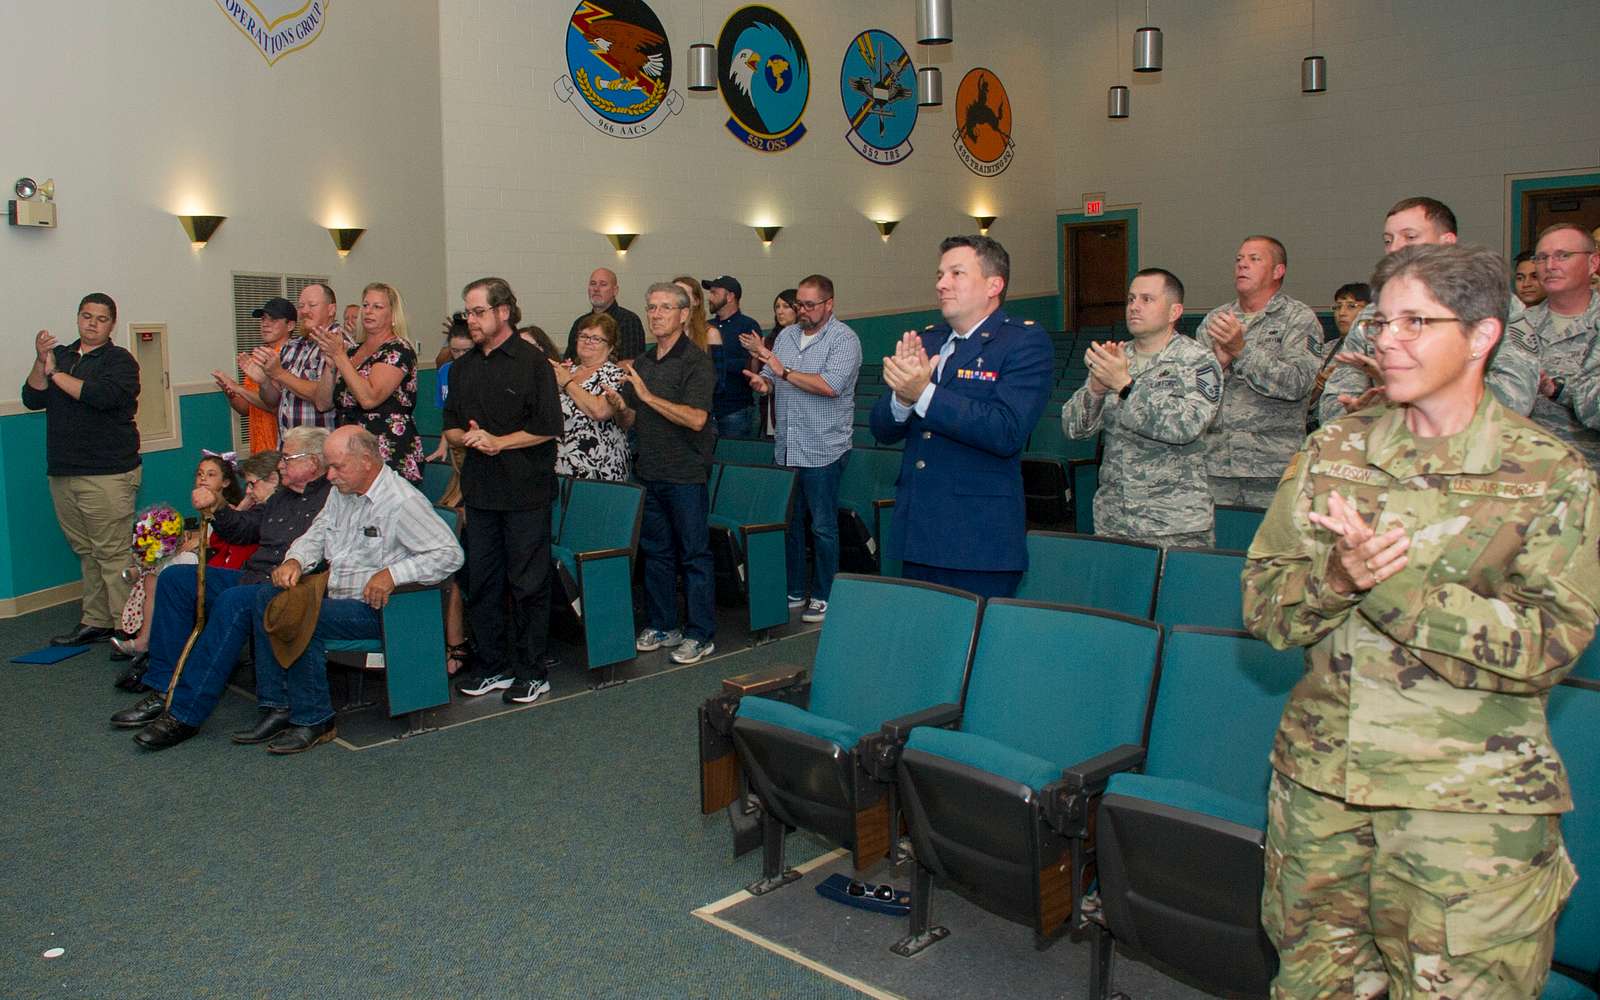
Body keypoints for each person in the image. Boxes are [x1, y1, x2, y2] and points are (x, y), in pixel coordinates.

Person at [1242, 242, 1598, 998]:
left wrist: (1395, 589)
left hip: (1466, 821)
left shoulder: (1547, 474)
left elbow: (1548, 646)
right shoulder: (1334, 450)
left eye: (1415, 321)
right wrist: (1336, 578)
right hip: (1322, 797)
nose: (1386, 339)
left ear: (1480, 335)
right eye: (1380, 322)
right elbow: (1265, 608)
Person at [108, 428, 335, 749]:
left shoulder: (332, 497)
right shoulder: (282, 495)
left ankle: (184, 713)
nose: (280, 465)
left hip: (291, 588)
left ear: (313, 462)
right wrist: (218, 506)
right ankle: (163, 687)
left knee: (232, 600)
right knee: (175, 580)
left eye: (287, 459)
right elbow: (244, 531)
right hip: (252, 579)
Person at [243, 427, 462, 754]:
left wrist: (393, 574)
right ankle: (277, 705)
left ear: (366, 461)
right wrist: (295, 560)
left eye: (337, 466)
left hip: (384, 611)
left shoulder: (401, 502)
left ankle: (315, 719)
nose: (329, 475)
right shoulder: (341, 492)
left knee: (303, 614)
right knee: (265, 597)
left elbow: (449, 554)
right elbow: (316, 534)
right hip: (338, 599)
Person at [869, 235, 1052, 598]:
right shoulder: (929, 341)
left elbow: (1006, 431)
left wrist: (923, 393)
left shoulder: (1022, 342)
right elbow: (882, 429)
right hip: (918, 532)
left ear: (993, 285)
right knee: (924, 644)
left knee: (977, 646)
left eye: (956, 273)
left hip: (978, 539)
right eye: (939, 274)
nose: (941, 284)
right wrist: (903, 400)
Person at [444, 277, 563, 704]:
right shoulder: (463, 366)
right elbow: (452, 425)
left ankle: (532, 671)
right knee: (483, 580)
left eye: (478, 312)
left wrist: (499, 441)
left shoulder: (533, 363)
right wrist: (467, 438)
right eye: (467, 313)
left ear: (503, 312)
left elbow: (547, 428)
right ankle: (492, 665)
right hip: (480, 491)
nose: (470, 320)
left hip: (526, 490)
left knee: (528, 583)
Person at [1317, 197, 1539, 425]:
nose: (1395, 248)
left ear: (1447, 243)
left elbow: (1515, 399)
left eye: (1410, 237)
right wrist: (1364, 413)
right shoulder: (1372, 315)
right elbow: (1333, 407)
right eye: (1388, 240)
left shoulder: (1494, 305)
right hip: (1387, 450)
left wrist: (1404, 402)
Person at [601, 282, 718, 664]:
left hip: (684, 473)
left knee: (694, 555)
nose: (656, 315)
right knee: (657, 554)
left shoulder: (696, 362)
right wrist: (621, 406)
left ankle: (701, 634)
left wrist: (648, 396)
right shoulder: (647, 363)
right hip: (650, 470)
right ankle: (664, 624)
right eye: (651, 308)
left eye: (665, 308)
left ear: (684, 315)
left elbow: (697, 419)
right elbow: (635, 419)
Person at [1063, 268, 1222, 548]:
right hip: (1115, 520)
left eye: (1147, 299)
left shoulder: (1198, 361)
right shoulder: (1116, 358)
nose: (1134, 307)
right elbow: (1074, 429)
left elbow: (1187, 427)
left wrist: (1125, 386)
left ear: (1174, 311)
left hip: (1174, 524)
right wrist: (1096, 390)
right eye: (1131, 299)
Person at [24, 292, 142, 647]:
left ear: (112, 325)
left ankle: (129, 628)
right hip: (64, 469)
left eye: (100, 318)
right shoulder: (59, 357)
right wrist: (41, 359)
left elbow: (99, 396)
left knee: (113, 552)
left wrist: (56, 373)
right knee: (87, 551)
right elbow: (32, 398)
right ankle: (96, 620)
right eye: (86, 316)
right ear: (77, 318)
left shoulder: (120, 361)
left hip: (106, 472)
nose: (92, 323)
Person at [741, 273, 861, 622]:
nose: (803, 311)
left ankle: (825, 593)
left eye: (810, 305)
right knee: (790, 522)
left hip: (824, 445)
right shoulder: (787, 336)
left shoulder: (844, 340)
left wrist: (783, 370)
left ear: (829, 304)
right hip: (788, 444)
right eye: (800, 305)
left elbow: (830, 386)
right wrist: (763, 383)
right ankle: (795, 587)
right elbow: (770, 375)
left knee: (822, 525)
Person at [1197, 235, 1324, 509]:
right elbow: (1194, 390)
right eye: (1239, 259)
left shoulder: (1298, 319)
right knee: (1216, 549)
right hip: (1217, 465)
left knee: (1272, 551)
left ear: (1278, 271)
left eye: (1254, 259)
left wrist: (1242, 352)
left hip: (1272, 466)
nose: (1243, 265)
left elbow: (1299, 383)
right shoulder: (1216, 321)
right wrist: (1218, 365)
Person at [113, 453, 250, 658]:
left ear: (226, 482)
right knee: (154, 577)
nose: (203, 478)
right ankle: (149, 637)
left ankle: (146, 639)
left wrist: (197, 543)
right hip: (205, 555)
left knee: (160, 576)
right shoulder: (204, 507)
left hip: (220, 562)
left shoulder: (228, 510)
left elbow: (224, 539)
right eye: (200, 474)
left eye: (211, 475)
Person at [1506, 223, 1600, 468]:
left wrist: (1560, 390)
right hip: (1526, 475)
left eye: (1563, 256)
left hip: (1589, 475)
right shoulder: (1516, 325)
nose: (1550, 266)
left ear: (1593, 263)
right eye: (1542, 257)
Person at [312, 282, 424, 484]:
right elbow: (322, 403)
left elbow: (369, 398)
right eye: (365, 305)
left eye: (377, 307)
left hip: (386, 447)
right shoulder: (353, 351)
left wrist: (340, 356)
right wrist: (330, 366)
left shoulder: (398, 349)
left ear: (392, 315)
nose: (368, 312)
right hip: (350, 447)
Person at [244, 282, 341, 438]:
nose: (304, 311)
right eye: (301, 306)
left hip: (320, 451)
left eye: (312, 305)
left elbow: (323, 399)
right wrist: (264, 382)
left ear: (331, 309)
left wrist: (279, 373)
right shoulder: (294, 345)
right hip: (288, 445)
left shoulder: (339, 344)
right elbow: (272, 402)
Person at [551, 313, 630, 481]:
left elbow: (600, 411)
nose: (588, 342)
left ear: (610, 347)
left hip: (599, 466)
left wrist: (567, 383)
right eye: (583, 336)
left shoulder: (615, 374)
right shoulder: (567, 371)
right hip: (561, 464)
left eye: (596, 339)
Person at [212, 297, 294, 453]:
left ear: (290, 325)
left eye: (273, 319)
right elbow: (246, 409)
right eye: (263, 319)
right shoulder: (257, 358)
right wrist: (231, 393)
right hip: (259, 450)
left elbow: (276, 407)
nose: (265, 324)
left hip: (282, 450)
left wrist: (239, 388)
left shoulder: (292, 358)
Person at [703, 275, 761, 438]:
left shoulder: (747, 326)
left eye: (714, 293)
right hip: (708, 409)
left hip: (735, 409)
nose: (710, 297)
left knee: (733, 457)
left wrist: (716, 363)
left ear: (730, 296)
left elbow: (750, 367)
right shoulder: (707, 326)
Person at [565, 268, 645, 362]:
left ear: (615, 290)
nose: (596, 289)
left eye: (603, 284)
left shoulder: (629, 320)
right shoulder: (580, 322)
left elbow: (629, 363)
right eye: (593, 284)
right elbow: (569, 360)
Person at [759, 289, 801, 436]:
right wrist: (756, 354)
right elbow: (765, 373)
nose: (780, 311)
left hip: (799, 405)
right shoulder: (773, 338)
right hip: (775, 403)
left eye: (785, 306)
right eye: (777, 307)